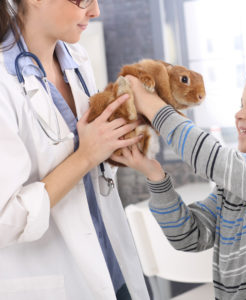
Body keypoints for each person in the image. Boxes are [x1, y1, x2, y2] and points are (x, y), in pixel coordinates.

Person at [112, 60, 246, 299]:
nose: (239, 114)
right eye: (241, 105)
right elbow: (189, 237)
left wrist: (149, 103)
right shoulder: (233, 188)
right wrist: (155, 175)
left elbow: (212, 158)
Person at [0, 1, 150, 299]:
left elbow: (87, 170)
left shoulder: (77, 59)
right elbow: (5, 219)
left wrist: (114, 142)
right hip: (57, 281)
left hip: (113, 266)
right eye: (82, 0)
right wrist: (86, 156)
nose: (95, 12)